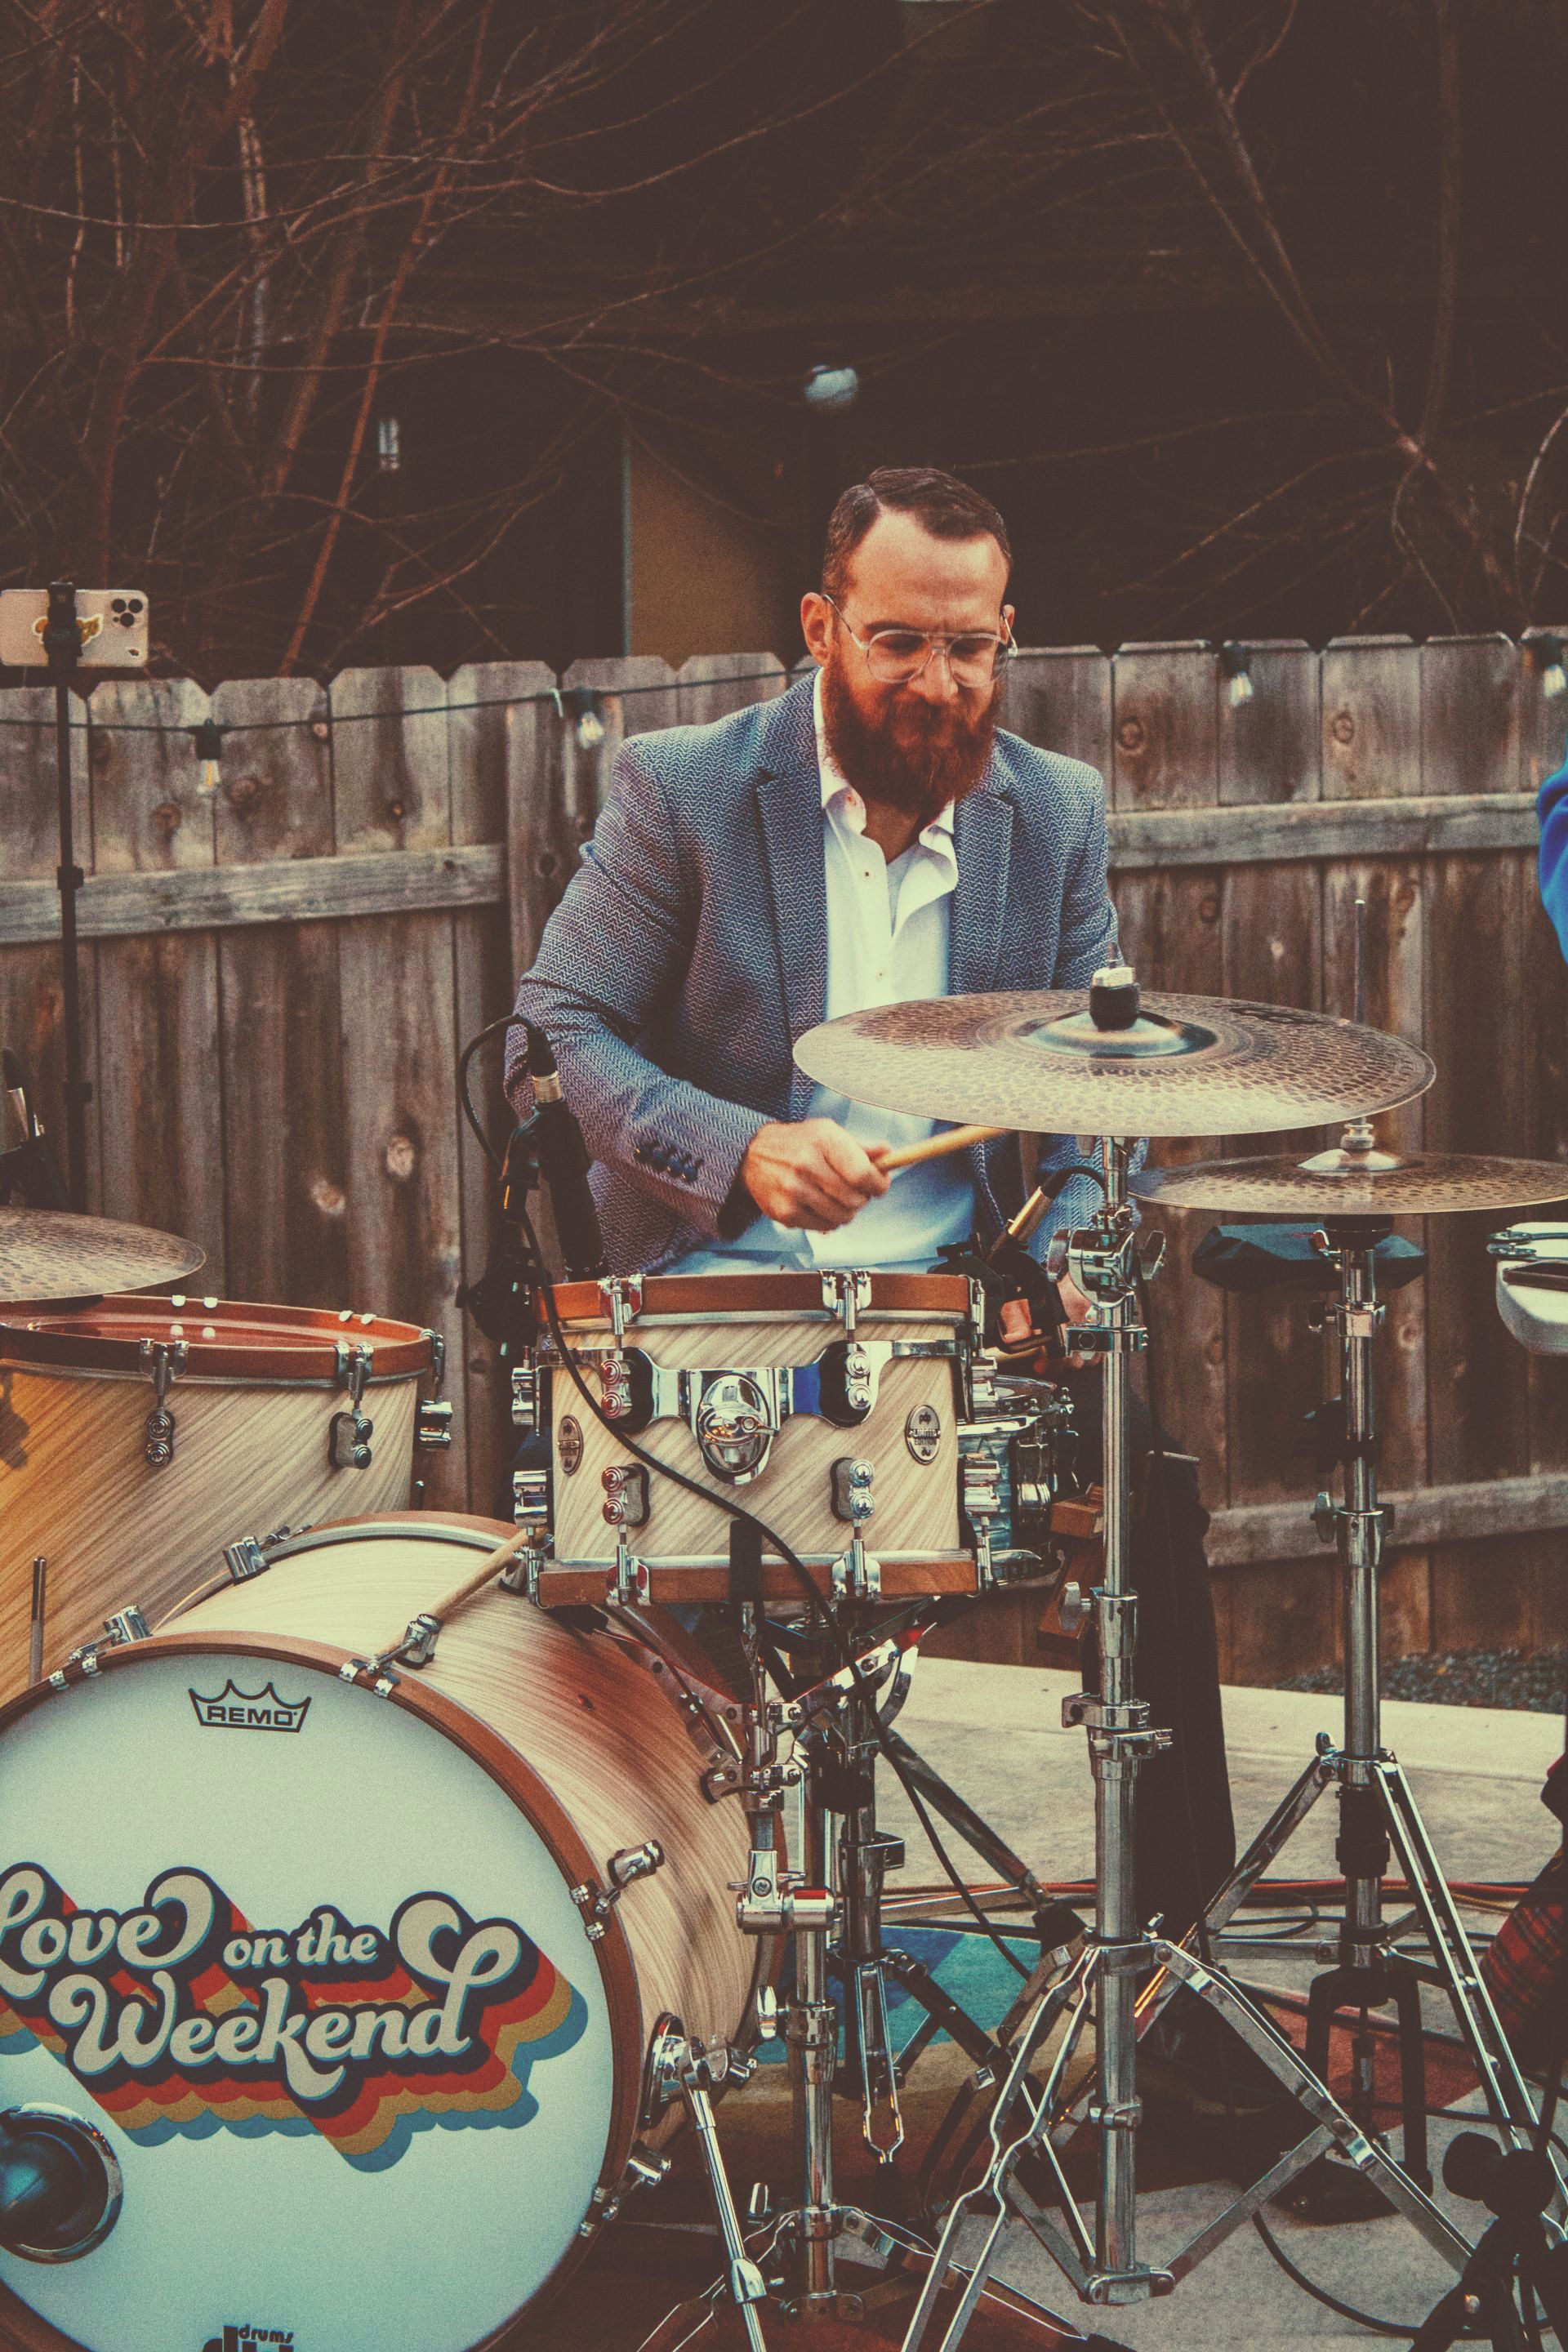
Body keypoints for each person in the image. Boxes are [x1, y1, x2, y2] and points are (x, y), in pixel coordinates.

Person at [508, 465, 1232, 1935]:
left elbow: (1109, 1088)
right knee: (657, 1637)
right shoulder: (690, 788)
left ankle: (1167, 1966)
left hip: (960, 1312)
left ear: (1006, 639)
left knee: (1150, 1485)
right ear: (822, 625)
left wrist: (1088, 1243)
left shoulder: (1054, 814)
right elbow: (557, 1033)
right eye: (900, 640)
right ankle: (676, 1948)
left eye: (971, 648)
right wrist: (740, 1150)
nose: (939, 682)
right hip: (723, 1292)